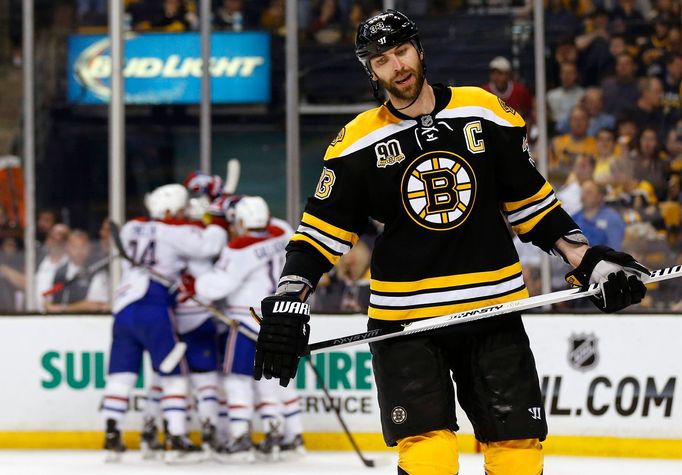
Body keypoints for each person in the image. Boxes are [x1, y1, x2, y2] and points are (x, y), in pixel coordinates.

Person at [251, 10, 650, 475]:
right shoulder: (355, 143)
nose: (397, 66)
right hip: (405, 320)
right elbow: (318, 237)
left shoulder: (482, 109)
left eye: (401, 51)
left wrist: (587, 259)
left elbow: (531, 204)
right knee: (430, 460)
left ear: (419, 49)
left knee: (519, 454)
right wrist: (288, 295)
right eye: (381, 60)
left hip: (492, 310)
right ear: (371, 71)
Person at [101, 184, 225, 463]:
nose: (183, 214)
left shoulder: (132, 226)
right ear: (170, 210)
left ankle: (111, 436)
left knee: (121, 378)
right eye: (180, 210)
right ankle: (176, 438)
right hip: (154, 306)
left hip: (123, 308)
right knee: (174, 375)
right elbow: (210, 246)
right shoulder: (177, 233)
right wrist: (214, 219)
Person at [194, 196, 306, 461]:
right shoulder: (284, 232)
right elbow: (272, 223)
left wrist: (197, 283)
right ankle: (283, 435)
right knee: (273, 379)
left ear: (242, 222)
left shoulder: (239, 249)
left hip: (247, 320)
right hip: (280, 319)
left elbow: (217, 286)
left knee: (237, 380)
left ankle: (240, 437)